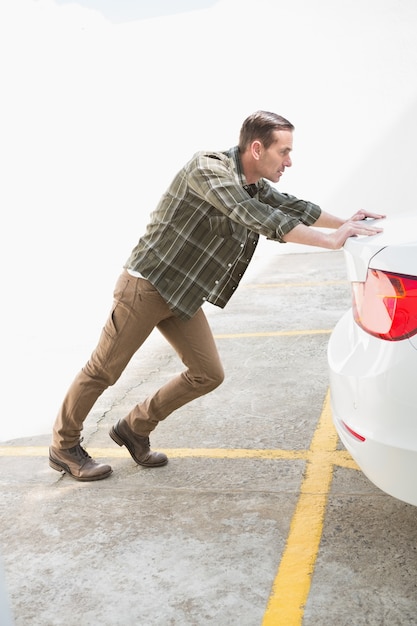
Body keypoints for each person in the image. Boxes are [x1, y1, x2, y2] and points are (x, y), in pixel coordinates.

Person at [49, 110, 384, 481]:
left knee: (207, 373)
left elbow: (291, 206)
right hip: (146, 286)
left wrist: (349, 223)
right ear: (257, 148)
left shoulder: (253, 183)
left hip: (182, 294)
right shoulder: (208, 169)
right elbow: (250, 214)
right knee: (103, 370)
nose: (289, 161)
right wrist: (329, 241)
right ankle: (63, 447)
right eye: (283, 151)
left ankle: (134, 427)